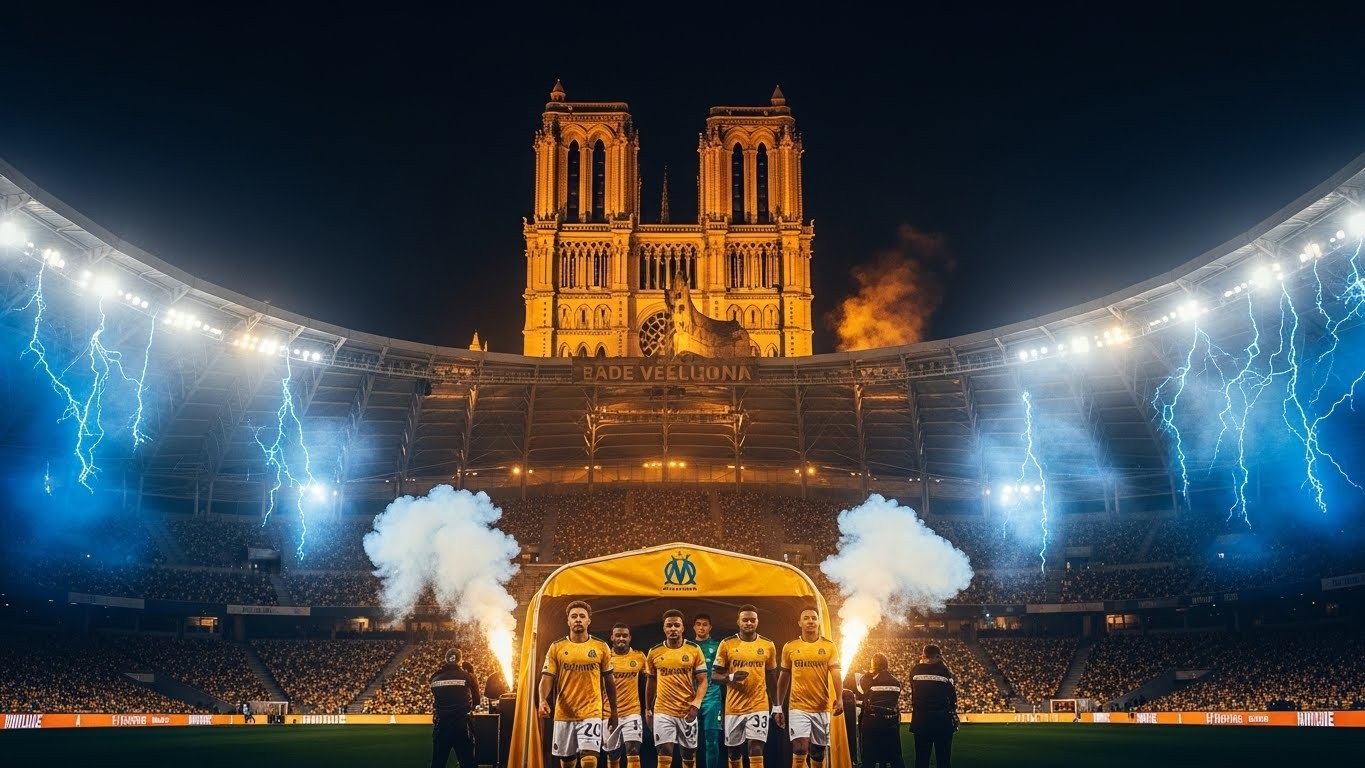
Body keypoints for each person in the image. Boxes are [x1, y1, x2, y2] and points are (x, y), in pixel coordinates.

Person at [540, 600, 619, 768]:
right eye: (574, 616)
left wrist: (614, 710)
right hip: (564, 713)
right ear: (568, 621)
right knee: (567, 762)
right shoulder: (557, 647)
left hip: (592, 712)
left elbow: (609, 681)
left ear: (589, 620)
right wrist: (542, 700)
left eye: (582, 616)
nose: (578, 619)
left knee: (589, 760)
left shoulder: (600, 646)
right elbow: (547, 677)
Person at [776, 607, 843, 768]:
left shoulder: (829, 646)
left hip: (821, 706)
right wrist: (778, 706)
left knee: (818, 752)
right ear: (800, 623)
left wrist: (839, 698)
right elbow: (784, 677)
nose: (811, 621)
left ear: (818, 622)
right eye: (806, 618)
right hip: (798, 707)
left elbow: (835, 674)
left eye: (814, 618)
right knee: (800, 747)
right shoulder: (790, 647)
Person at [711, 605, 777, 768]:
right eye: (745, 620)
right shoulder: (727, 644)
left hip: (758, 705)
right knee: (734, 752)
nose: (749, 623)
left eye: (752, 620)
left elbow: (772, 677)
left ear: (757, 622)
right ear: (738, 622)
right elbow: (714, 676)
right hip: (734, 707)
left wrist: (777, 706)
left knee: (755, 749)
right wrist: (731, 677)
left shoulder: (768, 645)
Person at [646, 608, 710, 768]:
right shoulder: (654, 652)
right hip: (663, 711)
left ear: (682, 628)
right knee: (664, 751)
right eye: (669, 625)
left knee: (688, 754)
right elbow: (651, 682)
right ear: (664, 628)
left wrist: (696, 704)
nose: (673, 629)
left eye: (676, 625)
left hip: (686, 710)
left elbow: (703, 681)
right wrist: (648, 709)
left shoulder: (694, 650)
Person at [605, 623, 647, 768]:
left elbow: (649, 681)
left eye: (624, 636)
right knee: (613, 753)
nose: (621, 638)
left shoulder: (639, 657)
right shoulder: (605, 657)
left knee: (633, 750)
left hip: (632, 712)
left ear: (630, 638)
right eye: (618, 635)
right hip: (608, 713)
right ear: (612, 637)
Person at [908, 644, 957, 768]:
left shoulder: (915, 670)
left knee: (921, 760)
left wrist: (922, 662)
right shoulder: (946, 671)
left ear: (924, 655)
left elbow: (913, 688)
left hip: (921, 720)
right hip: (942, 720)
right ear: (938, 656)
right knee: (944, 760)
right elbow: (952, 696)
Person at [431, 647, 480, 768]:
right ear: (460, 660)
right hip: (462, 727)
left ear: (446, 660)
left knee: (437, 763)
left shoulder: (435, 678)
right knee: (468, 763)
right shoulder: (467, 676)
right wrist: (472, 674)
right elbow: (476, 701)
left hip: (441, 727)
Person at [856, 653, 904, 768]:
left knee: (868, 756)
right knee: (895, 755)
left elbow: (862, 691)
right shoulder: (896, 681)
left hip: (872, 722)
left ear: (874, 665)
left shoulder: (869, 680)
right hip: (891, 723)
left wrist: (869, 673)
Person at [692, 613, 724, 768]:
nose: (701, 627)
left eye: (705, 624)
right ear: (693, 627)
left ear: (710, 627)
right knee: (688, 742)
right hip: (690, 697)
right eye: (698, 624)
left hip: (712, 698)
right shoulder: (688, 647)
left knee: (711, 740)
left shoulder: (718, 646)